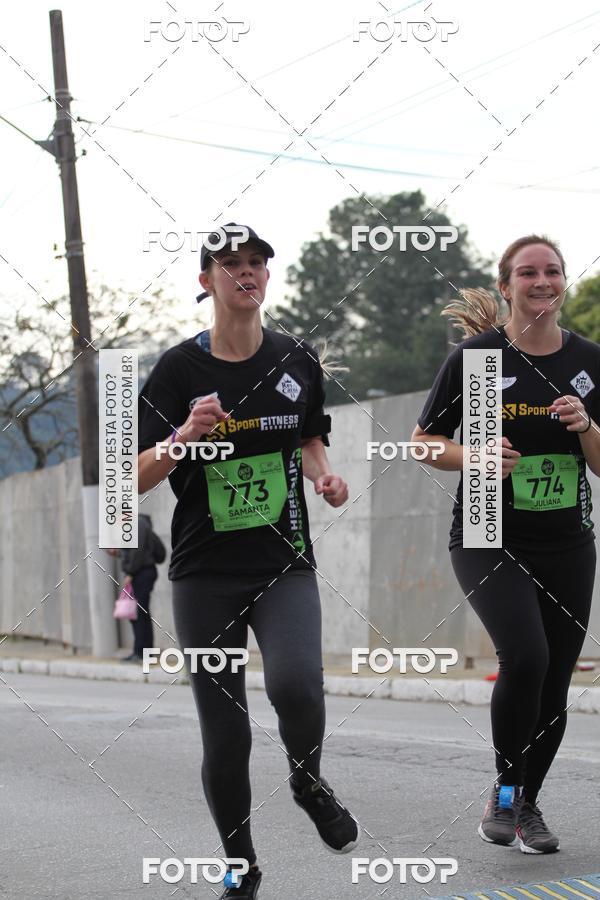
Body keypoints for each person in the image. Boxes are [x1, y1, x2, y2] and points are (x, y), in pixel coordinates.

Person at [136, 224, 360, 898]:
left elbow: (311, 436)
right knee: (227, 735)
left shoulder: (296, 359)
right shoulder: (178, 370)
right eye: (230, 263)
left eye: (257, 262)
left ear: (268, 276)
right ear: (205, 281)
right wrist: (184, 435)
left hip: (283, 559)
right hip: (204, 575)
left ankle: (308, 779)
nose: (246, 273)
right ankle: (240, 864)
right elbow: (131, 476)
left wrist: (325, 475)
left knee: (298, 686)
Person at [412, 235, 600, 854]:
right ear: (506, 285)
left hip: (568, 541)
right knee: (527, 656)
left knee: (554, 681)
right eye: (528, 272)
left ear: (563, 281)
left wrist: (587, 427)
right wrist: (477, 455)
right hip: (487, 530)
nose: (541, 281)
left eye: (552, 271)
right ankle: (503, 791)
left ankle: (527, 805)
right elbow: (424, 443)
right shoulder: (478, 359)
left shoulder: (590, 361)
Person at [114, 513, 165, 662]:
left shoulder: (138, 524)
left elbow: (138, 551)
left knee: (141, 614)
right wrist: (118, 553)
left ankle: (144, 653)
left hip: (142, 573)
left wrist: (130, 572)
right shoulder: (134, 526)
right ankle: (139, 650)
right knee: (137, 614)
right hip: (139, 572)